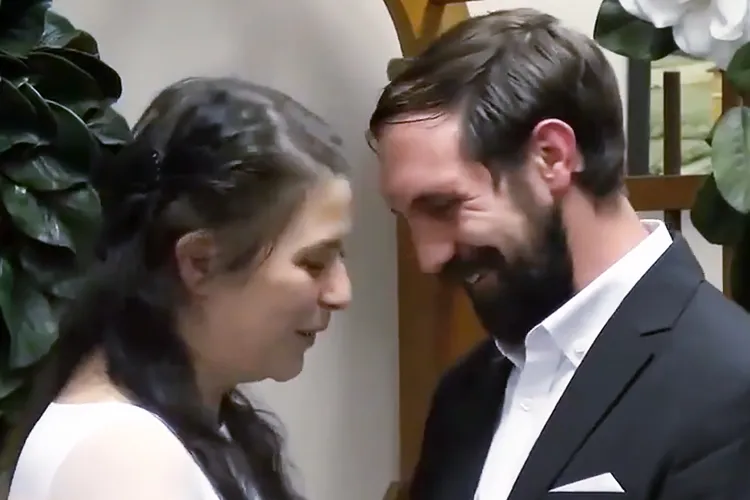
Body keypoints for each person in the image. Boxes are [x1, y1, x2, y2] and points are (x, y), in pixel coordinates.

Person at [369, 8, 750, 500]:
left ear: (551, 156)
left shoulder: (732, 384)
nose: (429, 257)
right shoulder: (464, 393)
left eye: (443, 206)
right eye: (407, 217)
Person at [7, 77, 352, 500]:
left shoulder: (178, 429)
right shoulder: (123, 463)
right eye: (314, 262)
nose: (341, 292)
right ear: (199, 262)